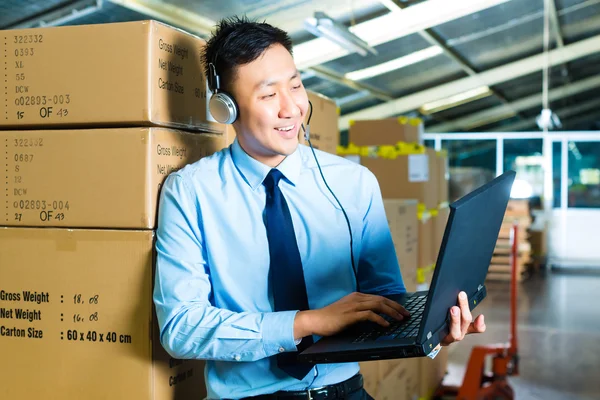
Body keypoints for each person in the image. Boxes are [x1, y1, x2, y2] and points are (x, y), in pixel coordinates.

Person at [153, 16, 486, 400]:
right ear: (226, 108)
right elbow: (180, 328)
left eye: (295, 85)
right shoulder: (191, 191)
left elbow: (386, 298)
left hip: (345, 392)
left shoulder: (352, 182)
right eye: (267, 95)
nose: (291, 108)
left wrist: (430, 331)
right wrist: (307, 322)